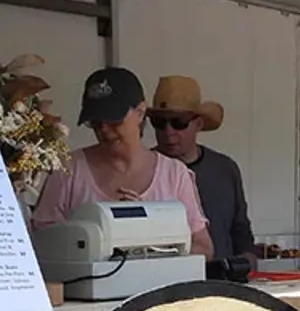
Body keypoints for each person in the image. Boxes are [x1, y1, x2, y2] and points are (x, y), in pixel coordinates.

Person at [31, 67, 214, 259]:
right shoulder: (68, 169)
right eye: (95, 123)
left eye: (114, 121)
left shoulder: (174, 175)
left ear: (141, 112)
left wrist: (151, 229)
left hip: (160, 287)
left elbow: (204, 249)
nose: (104, 130)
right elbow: (42, 243)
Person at [150, 75, 256, 269]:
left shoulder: (225, 168)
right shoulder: (142, 171)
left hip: (223, 284)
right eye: (158, 122)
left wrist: (246, 265)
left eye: (178, 122)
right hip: (164, 282)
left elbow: (241, 231)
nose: (168, 131)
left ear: (198, 124)